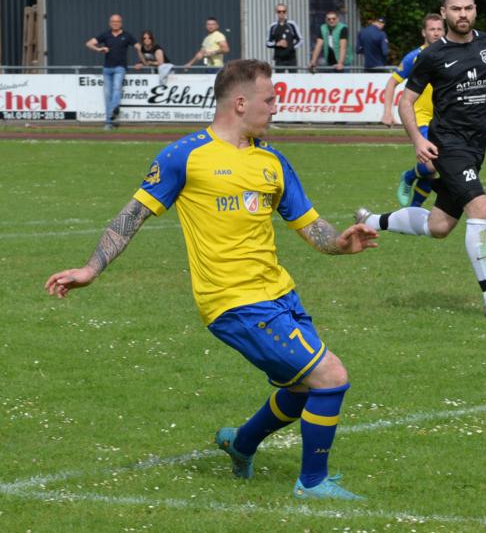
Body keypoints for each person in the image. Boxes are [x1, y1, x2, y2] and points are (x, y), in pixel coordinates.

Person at [44, 59, 379, 499]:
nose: (277, 108)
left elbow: (311, 227)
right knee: (331, 376)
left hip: (280, 293)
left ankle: (239, 444)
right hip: (231, 303)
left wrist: (340, 243)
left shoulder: (273, 162)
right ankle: (312, 484)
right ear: (241, 103)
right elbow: (132, 214)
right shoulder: (185, 155)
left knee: (299, 391)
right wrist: (90, 268)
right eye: (270, 100)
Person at [354, 0, 486, 319]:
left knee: (439, 226)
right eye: (456, 9)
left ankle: (372, 220)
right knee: (480, 206)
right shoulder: (432, 55)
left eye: (467, 8)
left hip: (475, 148)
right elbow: (405, 101)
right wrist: (418, 140)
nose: (462, 14)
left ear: (475, 10)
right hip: (447, 145)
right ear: (444, 13)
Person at [383, 14, 445, 209]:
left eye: (439, 29)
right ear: (424, 32)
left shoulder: (450, 53)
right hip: (420, 119)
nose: (436, 33)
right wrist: (387, 111)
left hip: (442, 120)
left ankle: (413, 209)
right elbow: (392, 82)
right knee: (433, 162)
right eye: (432, 29)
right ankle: (408, 177)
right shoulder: (415, 56)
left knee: (435, 168)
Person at [85, 14, 145, 130]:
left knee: (117, 88)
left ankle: (112, 113)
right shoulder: (105, 34)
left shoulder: (127, 35)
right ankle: (109, 122)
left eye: (117, 21)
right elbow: (88, 43)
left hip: (120, 68)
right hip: (107, 68)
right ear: (110, 23)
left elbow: (139, 47)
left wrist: (141, 61)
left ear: (121, 23)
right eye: (113, 21)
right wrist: (99, 49)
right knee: (107, 95)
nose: (115, 23)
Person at [267, 4, 303, 72]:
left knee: (294, 78)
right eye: (279, 11)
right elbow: (268, 43)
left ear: (286, 12)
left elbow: (300, 40)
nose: (281, 13)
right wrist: (277, 44)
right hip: (279, 59)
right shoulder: (273, 26)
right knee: (280, 80)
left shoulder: (292, 24)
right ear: (276, 12)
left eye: (284, 11)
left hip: (291, 58)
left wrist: (291, 46)